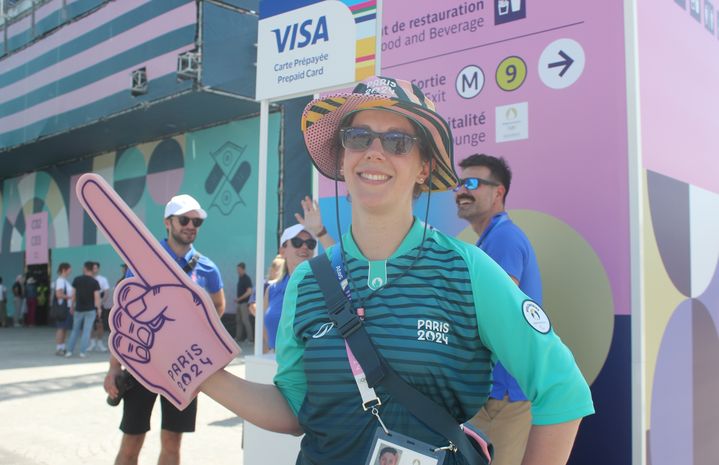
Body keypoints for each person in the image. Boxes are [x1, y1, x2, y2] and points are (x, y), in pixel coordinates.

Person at [116, 76, 594, 465]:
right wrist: (202, 373)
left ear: (425, 167)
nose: (374, 151)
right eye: (358, 137)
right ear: (342, 159)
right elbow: (296, 408)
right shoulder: (306, 281)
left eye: (398, 141)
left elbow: (561, 388)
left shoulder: (466, 269)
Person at [104, 194, 225, 465]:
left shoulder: (207, 267)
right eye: (184, 219)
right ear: (167, 222)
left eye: (197, 221)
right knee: (132, 440)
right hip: (142, 364)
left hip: (184, 368)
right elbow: (125, 315)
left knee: (172, 441)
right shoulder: (143, 261)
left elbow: (218, 305)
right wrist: (114, 368)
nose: (191, 225)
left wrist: (203, 340)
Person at [455, 154, 542, 465]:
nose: (461, 190)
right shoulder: (488, 241)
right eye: (459, 183)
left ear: (499, 192)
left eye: (472, 183)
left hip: (501, 397)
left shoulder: (504, 239)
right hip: (490, 394)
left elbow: (495, 310)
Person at [262, 224, 315, 353]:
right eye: (297, 242)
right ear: (282, 251)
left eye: (310, 243)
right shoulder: (272, 289)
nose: (304, 247)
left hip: (309, 364)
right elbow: (264, 332)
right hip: (277, 362)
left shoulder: (320, 285)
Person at [65, 261, 101, 358]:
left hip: (78, 309)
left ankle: (69, 351)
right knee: (86, 331)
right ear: (92, 269)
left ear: (85, 268)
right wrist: (99, 309)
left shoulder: (77, 279)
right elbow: (97, 297)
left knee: (75, 330)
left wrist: (72, 306)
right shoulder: (95, 282)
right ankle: (82, 352)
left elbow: (73, 296)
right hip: (90, 310)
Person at [89, 261, 110, 352]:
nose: (94, 270)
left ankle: (100, 343)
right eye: (93, 268)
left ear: (98, 269)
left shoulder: (102, 279)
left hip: (99, 305)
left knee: (100, 324)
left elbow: (106, 292)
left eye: (96, 268)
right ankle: (92, 343)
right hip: (88, 305)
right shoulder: (88, 279)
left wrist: (101, 302)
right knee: (89, 325)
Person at [53, 263, 74, 356]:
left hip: (67, 307)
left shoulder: (64, 281)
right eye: (69, 269)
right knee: (61, 328)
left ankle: (62, 346)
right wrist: (70, 297)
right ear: (64, 269)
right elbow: (59, 294)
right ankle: (59, 347)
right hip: (63, 308)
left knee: (64, 328)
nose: (70, 271)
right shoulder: (60, 281)